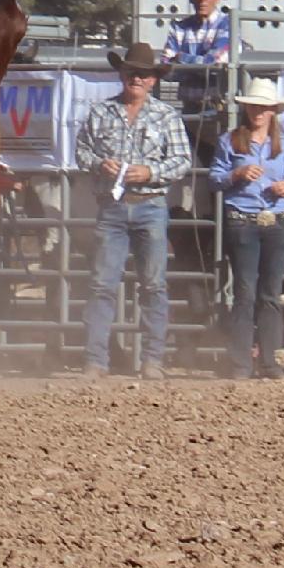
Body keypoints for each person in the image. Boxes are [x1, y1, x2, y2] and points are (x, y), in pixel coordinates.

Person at [75, 42, 190, 380]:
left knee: (153, 285)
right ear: (122, 75)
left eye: (143, 74)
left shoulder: (166, 116)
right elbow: (81, 151)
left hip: (150, 205)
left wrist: (151, 172)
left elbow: (182, 161)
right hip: (112, 207)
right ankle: (96, 360)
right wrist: (100, 164)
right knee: (102, 285)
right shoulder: (100, 112)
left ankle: (152, 360)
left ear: (154, 80)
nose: (136, 79)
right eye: (131, 73)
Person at [208, 77, 284, 379]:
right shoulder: (230, 140)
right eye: (254, 107)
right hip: (243, 220)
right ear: (247, 108)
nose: (259, 112)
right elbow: (214, 178)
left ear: (273, 110)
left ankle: (269, 362)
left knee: (270, 293)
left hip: (275, 220)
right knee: (246, 291)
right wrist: (237, 173)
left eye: (264, 107)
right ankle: (242, 364)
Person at [163, 0, 233, 152]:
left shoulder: (229, 25)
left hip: (217, 110)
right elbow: (165, 69)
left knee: (215, 163)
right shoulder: (180, 27)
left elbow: (215, 64)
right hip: (189, 109)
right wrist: (200, 65)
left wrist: (182, 59)